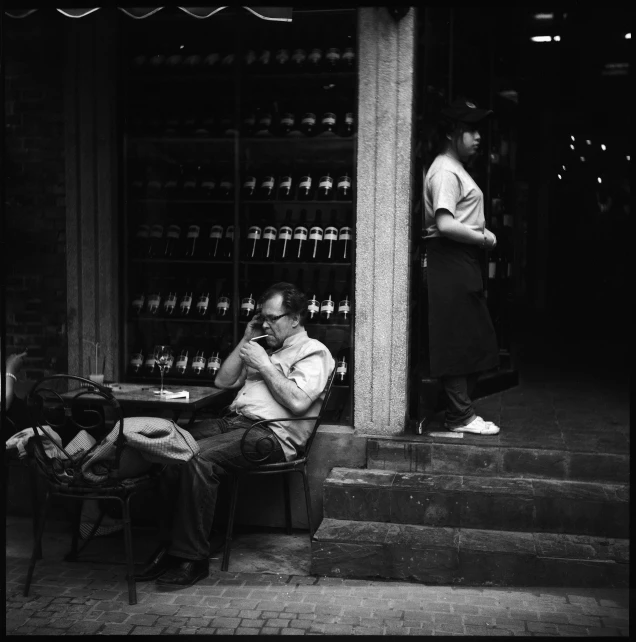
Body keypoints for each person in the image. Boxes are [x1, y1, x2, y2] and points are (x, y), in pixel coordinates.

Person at [136, 282, 334, 587]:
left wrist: (264, 365)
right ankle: (171, 546)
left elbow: (297, 401)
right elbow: (222, 380)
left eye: (273, 318)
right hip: (232, 423)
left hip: (270, 436)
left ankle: (192, 558)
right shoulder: (263, 346)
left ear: (295, 318)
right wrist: (246, 339)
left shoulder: (314, 352)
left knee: (196, 458)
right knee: (166, 447)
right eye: (262, 318)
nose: (266, 324)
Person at [422, 98, 501, 436]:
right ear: (453, 133)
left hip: (458, 259)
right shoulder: (445, 171)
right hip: (449, 256)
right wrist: (484, 238)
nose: (478, 137)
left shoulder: (454, 168)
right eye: (471, 130)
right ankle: (460, 416)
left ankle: (460, 412)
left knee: (473, 336)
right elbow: (445, 223)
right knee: (456, 337)